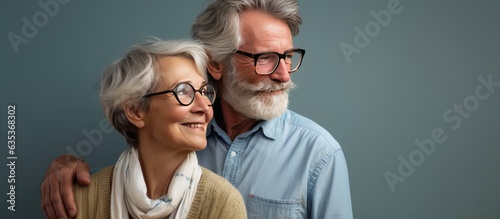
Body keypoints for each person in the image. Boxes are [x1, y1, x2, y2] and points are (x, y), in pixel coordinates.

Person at [41, 0, 353, 218]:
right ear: (216, 62)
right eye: (265, 58)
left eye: (288, 56)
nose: (284, 74)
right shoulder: (176, 133)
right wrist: (66, 167)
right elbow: (125, 189)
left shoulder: (319, 153)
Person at [67, 38, 247, 218]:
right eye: (183, 91)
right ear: (135, 111)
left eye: (203, 91)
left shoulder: (223, 203)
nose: (204, 106)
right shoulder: (81, 199)